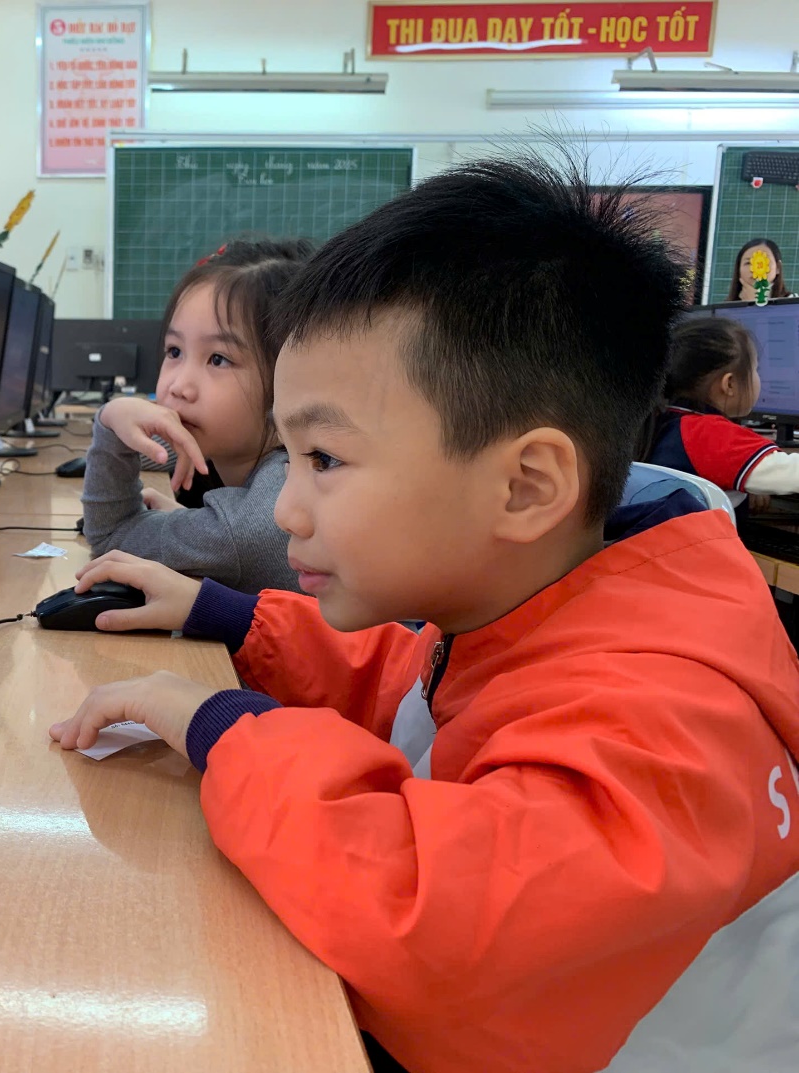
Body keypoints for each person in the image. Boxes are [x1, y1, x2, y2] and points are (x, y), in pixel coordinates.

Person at [50, 152, 799, 1073]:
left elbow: (434, 925)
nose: (287, 507)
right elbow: (409, 690)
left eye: (323, 458)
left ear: (525, 485)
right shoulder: (536, 596)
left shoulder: (666, 719)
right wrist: (232, 618)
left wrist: (222, 725)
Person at [80, 240, 313, 594]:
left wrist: (109, 422)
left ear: (289, 379)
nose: (178, 386)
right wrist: (185, 523)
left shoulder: (257, 519)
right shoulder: (283, 474)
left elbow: (109, 535)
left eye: (217, 359)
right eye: (174, 351)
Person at [646, 316, 799, 513]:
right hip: (699, 541)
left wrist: (748, 478)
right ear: (729, 384)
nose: (758, 378)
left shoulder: (662, 420)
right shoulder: (709, 434)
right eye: (755, 369)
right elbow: (793, 474)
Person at [726, 237, 790, 302]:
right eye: (748, 263)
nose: (755, 269)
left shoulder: (793, 303)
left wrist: (754, 303)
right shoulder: (724, 309)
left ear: (778, 267)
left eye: (764, 262)